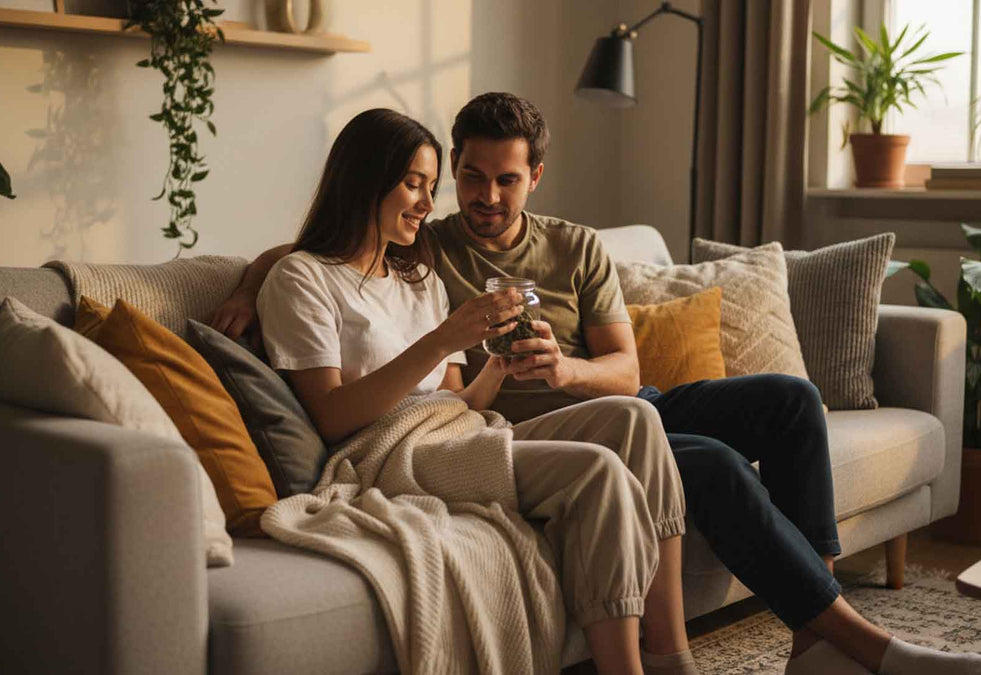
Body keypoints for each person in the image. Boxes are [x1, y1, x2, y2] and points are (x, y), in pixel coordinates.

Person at [216, 94, 981, 675]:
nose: (483, 197)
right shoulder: (431, 250)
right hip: (487, 436)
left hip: (616, 401)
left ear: (536, 176)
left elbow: (625, 371)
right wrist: (254, 279)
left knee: (790, 402)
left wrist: (559, 367)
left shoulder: (567, 248)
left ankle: (811, 637)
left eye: (506, 180)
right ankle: (710, 653)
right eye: (465, 179)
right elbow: (326, 252)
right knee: (713, 467)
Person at [251, 107, 695, 675]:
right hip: (391, 454)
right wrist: (441, 341)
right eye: (414, 184)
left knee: (636, 419)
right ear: (365, 180)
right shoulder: (304, 279)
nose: (426, 203)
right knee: (600, 473)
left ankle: (671, 655)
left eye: (431, 187)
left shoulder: (419, 277)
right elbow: (333, 417)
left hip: (458, 431)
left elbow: (463, 403)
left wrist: (503, 362)